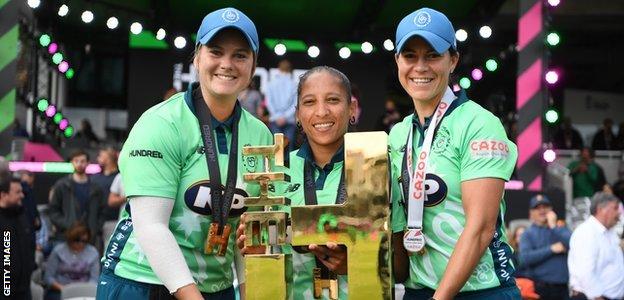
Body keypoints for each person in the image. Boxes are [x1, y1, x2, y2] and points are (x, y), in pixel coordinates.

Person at [96, 7, 273, 300]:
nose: (227, 64)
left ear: (253, 67)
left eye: (240, 55)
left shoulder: (260, 135)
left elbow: (251, 232)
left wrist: (250, 292)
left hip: (215, 286)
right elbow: (151, 227)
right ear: (197, 57)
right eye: (216, 51)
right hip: (141, 281)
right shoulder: (161, 123)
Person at [388, 8, 520, 299]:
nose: (420, 67)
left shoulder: (479, 124)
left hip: (483, 290)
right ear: (397, 60)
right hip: (419, 289)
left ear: (453, 60)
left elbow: (481, 228)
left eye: (433, 55)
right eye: (410, 55)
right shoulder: (398, 135)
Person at [236, 66, 354, 299]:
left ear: (352, 109)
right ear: (297, 115)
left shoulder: (378, 167)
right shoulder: (276, 174)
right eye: (309, 102)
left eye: (332, 100)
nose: (322, 111)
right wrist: (257, 253)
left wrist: (358, 262)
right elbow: (262, 262)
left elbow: (400, 262)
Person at [568, 192, 624, 300]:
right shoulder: (586, 233)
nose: (619, 213)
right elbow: (585, 273)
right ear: (600, 209)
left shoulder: (610, 232)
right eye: (615, 208)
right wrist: (597, 297)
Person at [519, 195, 571, 300]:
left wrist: (553, 226)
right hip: (540, 287)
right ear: (531, 213)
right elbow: (524, 259)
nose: (542, 210)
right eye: (537, 208)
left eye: (545, 207)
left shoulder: (560, 228)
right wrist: (551, 249)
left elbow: (573, 243)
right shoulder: (527, 233)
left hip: (563, 287)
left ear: (551, 210)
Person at [48, 150, 105, 244]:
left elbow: (102, 211)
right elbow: (53, 210)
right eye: (76, 161)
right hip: (66, 235)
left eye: (82, 161)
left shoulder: (96, 188)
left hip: (89, 237)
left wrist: (95, 227)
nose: (79, 164)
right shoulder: (62, 185)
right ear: (72, 162)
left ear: (88, 163)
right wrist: (67, 224)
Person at [0, 171, 35, 300]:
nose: (22, 195)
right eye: (17, 192)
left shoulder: (21, 216)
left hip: (24, 288)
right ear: (3, 195)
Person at [44, 222, 100, 300]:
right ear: (70, 239)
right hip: (60, 290)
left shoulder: (93, 253)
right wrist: (64, 289)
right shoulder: (58, 250)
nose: (80, 244)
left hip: (85, 291)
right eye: (77, 240)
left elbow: (94, 279)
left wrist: (84, 291)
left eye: (84, 241)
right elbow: (48, 277)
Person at [266, 59, 298, 151]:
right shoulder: (294, 84)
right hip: (289, 120)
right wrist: (285, 116)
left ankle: (275, 166)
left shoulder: (271, 84)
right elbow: (295, 104)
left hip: (275, 119)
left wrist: (277, 116)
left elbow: (269, 102)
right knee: (289, 147)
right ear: (290, 70)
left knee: (276, 147)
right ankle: (289, 166)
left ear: (279, 69)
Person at [91, 147, 120, 222]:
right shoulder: (94, 178)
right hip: (97, 220)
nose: (98, 158)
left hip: (115, 219)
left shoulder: (120, 177)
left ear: (109, 158)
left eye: (101, 156)